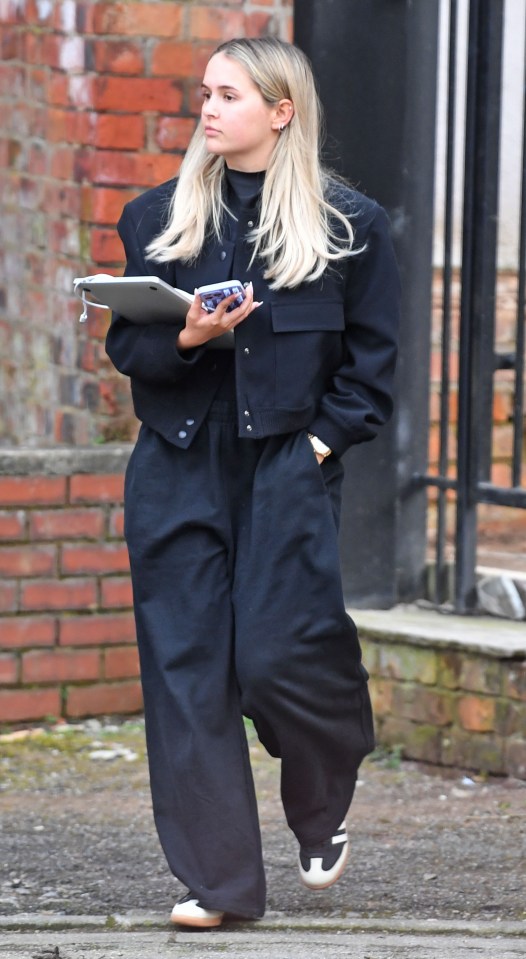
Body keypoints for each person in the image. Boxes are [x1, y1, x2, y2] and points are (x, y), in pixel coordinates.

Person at [105, 36, 400, 929]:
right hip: (177, 463)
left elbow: (371, 372)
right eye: (204, 93)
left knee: (277, 658)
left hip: (285, 464)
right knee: (187, 673)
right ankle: (219, 885)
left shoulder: (350, 226)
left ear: (281, 111)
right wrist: (186, 338)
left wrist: (314, 449)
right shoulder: (156, 216)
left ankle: (323, 793)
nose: (207, 108)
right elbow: (131, 348)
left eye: (228, 95)